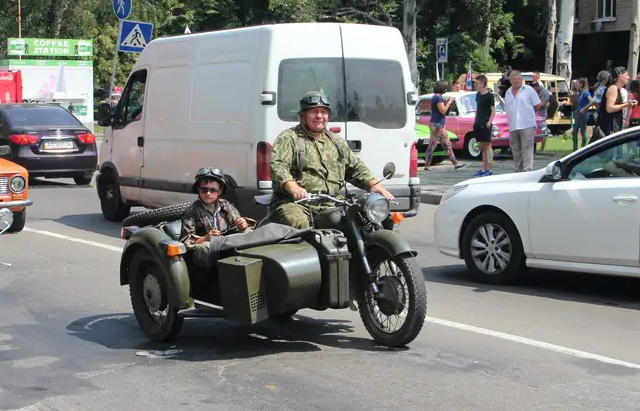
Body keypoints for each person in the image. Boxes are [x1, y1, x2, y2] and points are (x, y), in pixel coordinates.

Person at [267, 91, 394, 230]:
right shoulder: (289, 138)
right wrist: (293, 187)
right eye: (314, 112)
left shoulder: (336, 141)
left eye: (323, 112)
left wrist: (373, 184)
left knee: (363, 221)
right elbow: (278, 166)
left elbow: (354, 167)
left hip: (331, 202)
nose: (319, 116)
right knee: (299, 225)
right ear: (303, 115)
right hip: (296, 203)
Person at [179, 168, 250, 271]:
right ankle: (212, 277)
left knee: (248, 232)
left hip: (225, 244)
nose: (208, 193)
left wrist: (242, 224)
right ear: (198, 190)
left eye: (213, 190)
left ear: (219, 191)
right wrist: (206, 238)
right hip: (205, 253)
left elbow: (236, 225)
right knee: (205, 247)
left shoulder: (226, 206)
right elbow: (186, 241)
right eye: (204, 190)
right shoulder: (191, 212)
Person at [504, 70, 545, 172]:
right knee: (515, 150)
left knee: (527, 149)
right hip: (513, 126)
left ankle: (527, 171)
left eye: (518, 79)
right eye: (514, 79)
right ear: (510, 80)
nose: (516, 81)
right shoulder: (508, 92)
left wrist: (528, 114)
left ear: (522, 79)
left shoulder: (529, 90)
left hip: (526, 125)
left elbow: (538, 105)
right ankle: (518, 171)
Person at [424, 81, 466, 171]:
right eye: (445, 87)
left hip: (436, 123)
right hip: (437, 124)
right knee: (436, 145)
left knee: (444, 144)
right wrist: (449, 102)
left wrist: (446, 102)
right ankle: (427, 166)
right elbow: (442, 111)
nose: (446, 89)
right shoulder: (438, 97)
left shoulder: (436, 97)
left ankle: (455, 163)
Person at [471, 74, 496, 177]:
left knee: (488, 145)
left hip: (486, 123)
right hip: (479, 122)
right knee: (482, 146)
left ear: (482, 83)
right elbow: (478, 108)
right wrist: (475, 120)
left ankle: (489, 169)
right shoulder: (478, 95)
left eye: (476, 83)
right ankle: (483, 168)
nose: (475, 85)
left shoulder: (489, 95)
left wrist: (489, 121)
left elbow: (493, 110)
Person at [571, 78, 593, 151]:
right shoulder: (580, 92)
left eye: (577, 84)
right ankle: (575, 149)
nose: (576, 85)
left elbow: (591, 101)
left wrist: (584, 108)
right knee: (574, 131)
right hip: (578, 113)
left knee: (583, 131)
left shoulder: (586, 92)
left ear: (581, 84)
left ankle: (584, 148)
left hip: (583, 114)